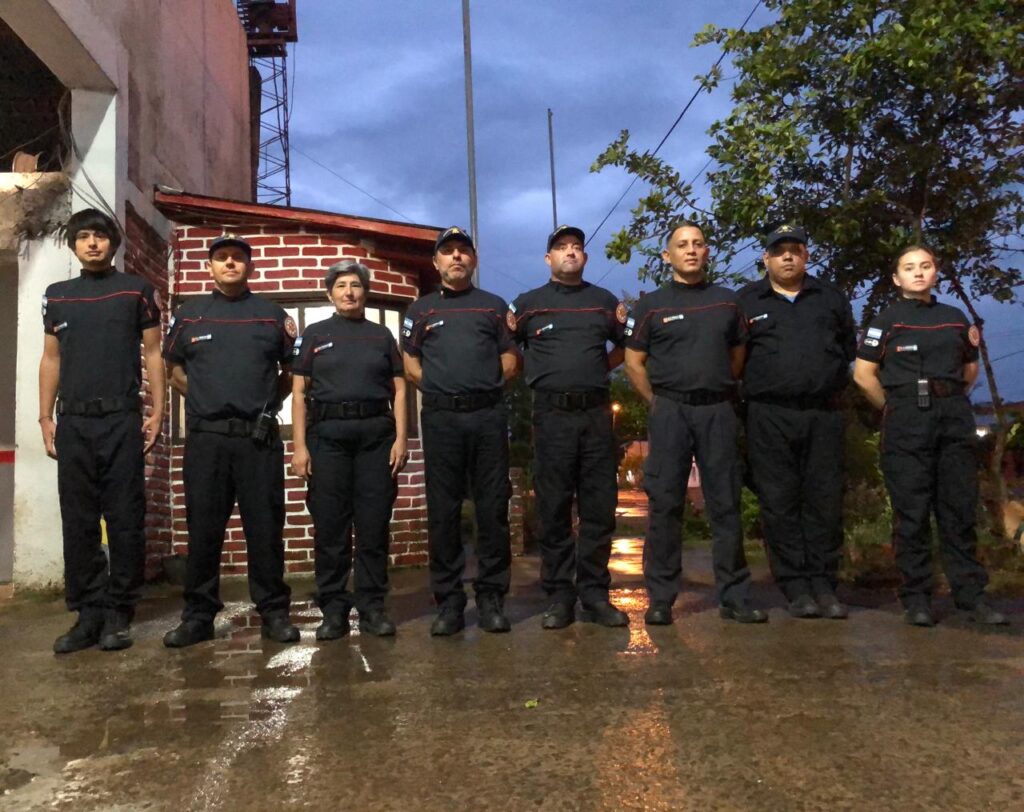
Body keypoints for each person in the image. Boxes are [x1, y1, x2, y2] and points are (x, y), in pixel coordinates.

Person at [853, 245, 1007, 627]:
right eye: (909, 267)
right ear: (896, 277)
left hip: (952, 417)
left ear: (935, 272)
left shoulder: (955, 319)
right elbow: (863, 375)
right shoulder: (885, 321)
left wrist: (947, 399)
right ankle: (917, 598)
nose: (918, 273)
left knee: (959, 511)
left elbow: (969, 371)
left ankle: (971, 597)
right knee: (912, 514)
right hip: (906, 418)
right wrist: (893, 407)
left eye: (925, 266)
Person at [624, 222, 766, 625]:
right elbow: (634, 364)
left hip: (717, 410)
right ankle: (661, 598)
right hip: (670, 410)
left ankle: (735, 596)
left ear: (707, 253)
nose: (691, 250)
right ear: (666, 255)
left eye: (698, 244)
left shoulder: (727, 302)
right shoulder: (650, 305)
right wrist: (660, 402)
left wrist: (714, 388)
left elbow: (737, 357)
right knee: (666, 504)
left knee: (725, 503)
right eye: (681, 245)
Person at [162, 236, 299, 647]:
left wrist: (267, 406)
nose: (230, 264)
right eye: (221, 258)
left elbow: (291, 374)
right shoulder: (189, 316)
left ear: (249, 267)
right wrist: (206, 400)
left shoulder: (273, 316)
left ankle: (274, 612)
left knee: (265, 528)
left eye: (238, 258)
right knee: (203, 530)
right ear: (210, 268)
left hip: (258, 440)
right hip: (207, 441)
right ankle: (199, 616)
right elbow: (174, 372)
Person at [40, 208, 164, 653]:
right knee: (78, 520)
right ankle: (88, 613)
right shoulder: (58, 296)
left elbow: (153, 354)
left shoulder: (137, 290)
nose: (93, 243)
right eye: (84, 237)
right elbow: (51, 358)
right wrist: (45, 417)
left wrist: (157, 410)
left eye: (101, 236)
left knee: (125, 517)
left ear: (114, 243)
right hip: (73, 422)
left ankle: (118, 613)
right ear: (73, 244)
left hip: (121, 420)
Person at [509, 225, 629, 629]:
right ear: (548, 259)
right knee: (554, 507)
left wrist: (597, 369)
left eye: (577, 247)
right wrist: (542, 374)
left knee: (599, 508)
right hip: (551, 416)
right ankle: (559, 596)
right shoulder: (528, 304)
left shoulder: (603, 301)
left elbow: (627, 346)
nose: (571, 252)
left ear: (585, 258)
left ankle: (595, 594)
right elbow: (508, 347)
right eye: (562, 248)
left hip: (595, 415)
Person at [402, 227, 518, 636]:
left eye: (463, 252)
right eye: (447, 252)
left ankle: (491, 599)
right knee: (444, 513)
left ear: (474, 259)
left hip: (486, 417)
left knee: (492, 511)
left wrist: (490, 385)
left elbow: (509, 357)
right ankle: (449, 602)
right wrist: (433, 386)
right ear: (436, 262)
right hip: (442, 420)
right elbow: (409, 360)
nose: (456, 258)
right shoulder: (420, 310)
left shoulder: (493, 307)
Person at [736, 224, 856, 619]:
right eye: (779, 250)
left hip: (823, 413)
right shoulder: (746, 301)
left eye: (795, 249)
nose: (788, 256)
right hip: (768, 415)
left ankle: (824, 584)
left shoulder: (830, 298)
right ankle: (795, 587)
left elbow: (847, 350)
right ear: (765, 258)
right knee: (779, 502)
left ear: (807, 255)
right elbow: (734, 360)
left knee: (823, 500)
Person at [290, 261, 408, 640]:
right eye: (341, 285)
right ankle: (334, 610)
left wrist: (402, 439)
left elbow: (401, 389)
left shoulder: (382, 337)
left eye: (355, 285)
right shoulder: (314, 335)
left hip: (376, 438)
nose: (349, 292)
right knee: (330, 527)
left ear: (365, 292)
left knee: (373, 525)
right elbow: (298, 392)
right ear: (330, 293)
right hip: (327, 439)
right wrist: (299, 447)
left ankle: (373, 607)